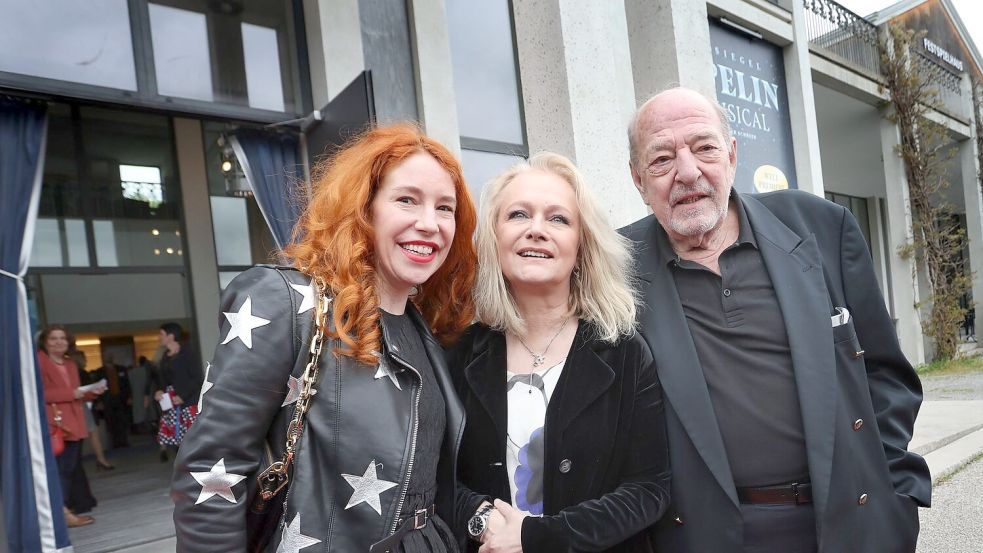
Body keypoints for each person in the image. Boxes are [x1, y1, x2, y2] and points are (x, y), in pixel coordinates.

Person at [621, 87, 930, 552]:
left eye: (704, 147)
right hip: (705, 536)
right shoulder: (616, 268)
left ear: (731, 155)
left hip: (849, 523)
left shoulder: (820, 227)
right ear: (638, 180)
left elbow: (887, 375)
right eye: (661, 159)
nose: (688, 172)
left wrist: (891, 489)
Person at [171, 123, 478, 552]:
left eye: (445, 208)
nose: (429, 223)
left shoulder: (424, 323)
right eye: (407, 199)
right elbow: (212, 472)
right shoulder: (284, 301)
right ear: (363, 207)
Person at [452, 152, 670, 552]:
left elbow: (649, 489)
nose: (537, 230)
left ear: (581, 245)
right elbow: (435, 478)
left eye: (558, 219)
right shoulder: (460, 352)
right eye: (518, 214)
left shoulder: (624, 352)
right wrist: (482, 521)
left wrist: (539, 538)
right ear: (493, 237)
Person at [37, 324, 107, 528]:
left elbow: (76, 391)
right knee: (58, 470)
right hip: (55, 425)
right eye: (53, 338)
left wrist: (92, 392)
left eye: (63, 338)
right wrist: (72, 394)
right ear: (45, 341)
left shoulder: (69, 363)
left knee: (68, 469)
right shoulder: (38, 362)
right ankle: (61, 513)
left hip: (74, 423)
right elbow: (39, 393)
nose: (59, 342)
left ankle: (62, 510)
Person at [152, 322, 202, 461]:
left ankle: (198, 464)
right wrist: (159, 391)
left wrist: (183, 396)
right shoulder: (165, 356)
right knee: (177, 435)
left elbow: (197, 378)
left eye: (161, 334)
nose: (159, 338)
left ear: (171, 336)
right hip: (171, 401)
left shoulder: (187, 353)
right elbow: (163, 380)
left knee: (192, 435)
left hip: (189, 400)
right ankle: (185, 465)